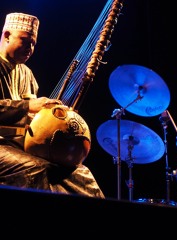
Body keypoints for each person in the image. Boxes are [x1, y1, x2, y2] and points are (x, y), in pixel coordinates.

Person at [0, 12, 105, 198]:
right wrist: (28, 107)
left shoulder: (27, 74)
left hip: (19, 145)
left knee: (80, 172)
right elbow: (28, 107)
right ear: (7, 36)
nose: (30, 48)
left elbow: (33, 119)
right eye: (25, 41)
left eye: (33, 44)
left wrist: (51, 115)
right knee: (37, 168)